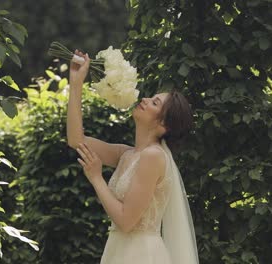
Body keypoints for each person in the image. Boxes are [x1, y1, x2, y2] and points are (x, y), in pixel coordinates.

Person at [67, 49, 199, 264]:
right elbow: (76, 140)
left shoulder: (153, 157)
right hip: (119, 252)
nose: (145, 99)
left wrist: (96, 178)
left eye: (155, 103)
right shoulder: (127, 154)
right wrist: (76, 83)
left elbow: (126, 221)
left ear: (164, 124)